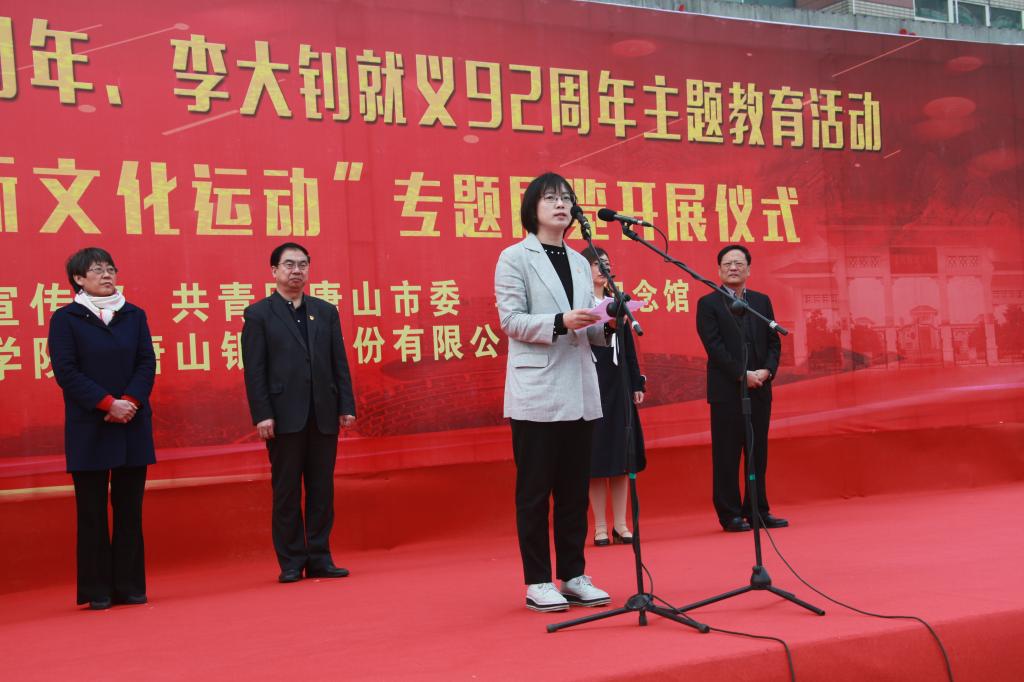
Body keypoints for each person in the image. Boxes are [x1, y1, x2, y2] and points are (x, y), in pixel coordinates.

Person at [495, 172, 612, 613]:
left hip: (578, 389)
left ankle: (574, 574)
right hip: (538, 392)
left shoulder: (581, 261)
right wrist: (561, 321)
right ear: (533, 208)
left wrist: (607, 323)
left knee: (573, 492)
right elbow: (511, 321)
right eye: (550, 198)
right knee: (534, 492)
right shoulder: (514, 257)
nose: (561, 205)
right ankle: (538, 580)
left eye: (566, 198)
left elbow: (590, 331)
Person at [48, 247, 156, 610]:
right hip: (90, 425)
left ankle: (130, 586)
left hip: (132, 422)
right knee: (92, 512)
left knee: (129, 510)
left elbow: (146, 362)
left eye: (110, 269)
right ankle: (97, 590)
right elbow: (66, 372)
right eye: (97, 270)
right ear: (78, 279)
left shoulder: (134, 315)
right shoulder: (66, 319)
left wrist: (130, 401)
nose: (107, 275)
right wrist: (108, 403)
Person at [241, 242, 357, 583]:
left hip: (323, 413)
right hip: (283, 416)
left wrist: (346, 405)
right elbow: (255, 370)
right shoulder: (258, 314)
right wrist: (262, 413)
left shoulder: (325, 311)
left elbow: (338, 361)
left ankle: (320, 557)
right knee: (287, 490)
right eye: (289, 264)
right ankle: (291, 561)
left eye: (302, 264)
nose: (296, 271)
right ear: (274, 271)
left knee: (322, 490)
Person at [696, 245, 787, 533]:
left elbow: (774, 342)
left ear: (748, 269)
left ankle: (758, 510)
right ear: (719, 270)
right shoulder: (708, 303)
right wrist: (741, 374)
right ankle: (730, 514)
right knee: (727, 454)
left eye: (738, 263)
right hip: (727, 391)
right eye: (727, 264)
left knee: (758, 452)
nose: (733, 268)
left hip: (760, 387)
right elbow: (714, 347)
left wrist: (767, 371)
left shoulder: (761, 301)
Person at [580, 246, 646, 547]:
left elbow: (629, 347)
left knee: (621, 457)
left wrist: (636, 382)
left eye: (606, 263)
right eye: (596, 263)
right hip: (591, 380)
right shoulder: (579, 304)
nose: (602, 268)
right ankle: (600, 527)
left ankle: (621, 524)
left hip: (618, 382)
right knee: (596, 458)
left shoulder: (617, 303)